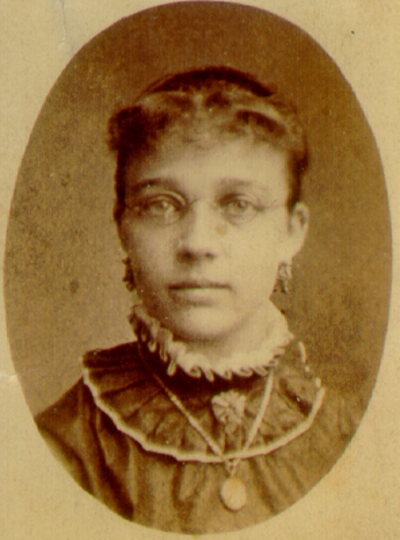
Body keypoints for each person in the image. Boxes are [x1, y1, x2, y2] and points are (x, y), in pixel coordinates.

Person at [35, 67, 359, 534]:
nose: (198, 243)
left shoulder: (345, 433)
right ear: (123, 226)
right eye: (162, 205)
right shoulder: (69, 443)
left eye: (238, 205)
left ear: (292, 232)